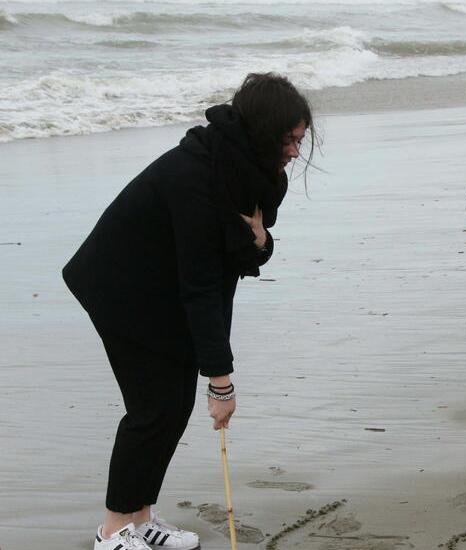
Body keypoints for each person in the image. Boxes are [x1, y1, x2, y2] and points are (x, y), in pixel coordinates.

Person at [63, 73, 314, 550]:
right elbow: (203, 285)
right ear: (263, 131)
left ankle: (141, 518)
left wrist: (261, 243)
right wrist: (221, 380)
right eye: (289, 140)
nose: (294, 152)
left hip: (166, 285)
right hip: (122, 288)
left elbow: (243, 247)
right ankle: (113, 530)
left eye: (299, 141)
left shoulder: (245, 169)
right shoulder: (196, 176)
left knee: (174, 406)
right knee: (152, 408)